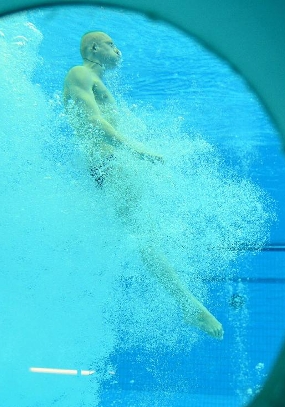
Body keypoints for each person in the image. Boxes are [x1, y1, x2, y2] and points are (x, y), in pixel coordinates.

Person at [63, 31, 224, 339]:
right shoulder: (79, 73)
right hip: (108, 162)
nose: (118, 49)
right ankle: (188, 306)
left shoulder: (93, 80)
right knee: (143, 238)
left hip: (108, 165)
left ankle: (187, 304)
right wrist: (135, 149)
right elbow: (95, 121)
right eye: (111, 43)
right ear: (93, 48)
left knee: (144, 236)